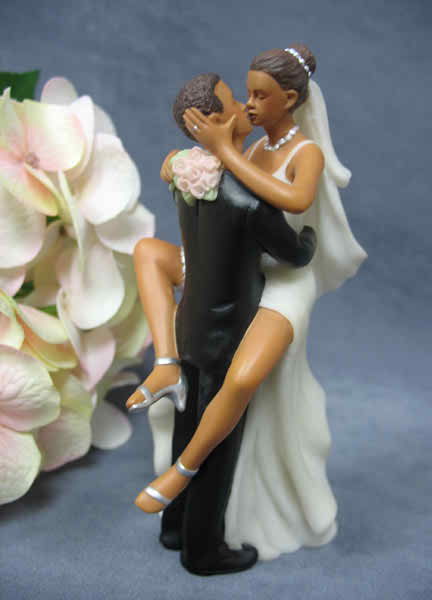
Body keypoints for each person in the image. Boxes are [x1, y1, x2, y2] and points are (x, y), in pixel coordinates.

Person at [130, 44, 367, 561]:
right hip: (241, 272)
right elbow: (229, 193)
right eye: (246, 94)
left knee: (238, 379)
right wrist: (192, 156)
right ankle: (167, 365)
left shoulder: (305, 153)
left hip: (287, 276)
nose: (250, 105)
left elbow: (294, 203)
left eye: (260, 96)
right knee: (150, 254)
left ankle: (181, 474)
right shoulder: (255, 148)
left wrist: (223, 149)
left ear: (290, 99)